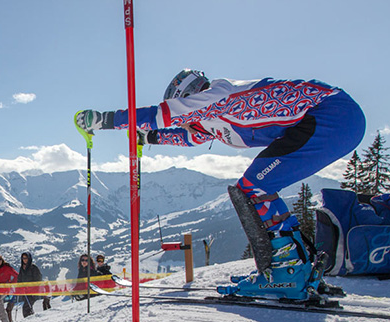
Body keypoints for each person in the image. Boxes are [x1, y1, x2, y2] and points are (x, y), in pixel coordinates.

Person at [76, 69, 365, 300]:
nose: (186, 120)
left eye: (184, 108)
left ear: (189, 97)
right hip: (334, 118)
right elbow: (188, 136)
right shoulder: (212, 117)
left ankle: (288, 272)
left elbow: (160, 115)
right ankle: (293, 269)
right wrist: (147, 139)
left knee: (253, 186)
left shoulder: (215, 95)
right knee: (254, 187)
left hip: (330, 115)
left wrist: (104, 120)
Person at [17, 252, 51, 317]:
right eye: (23, 258)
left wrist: (34, 288)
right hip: (25, 291)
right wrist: (19, 286)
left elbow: (38, 279)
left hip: (33, 291)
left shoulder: (33, 267)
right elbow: (19, 278)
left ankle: (28, 319)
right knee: (28, 306)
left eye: (26, 258)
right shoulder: (22, 268)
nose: (25, 260)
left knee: (26, 307)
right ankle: (31, 318)